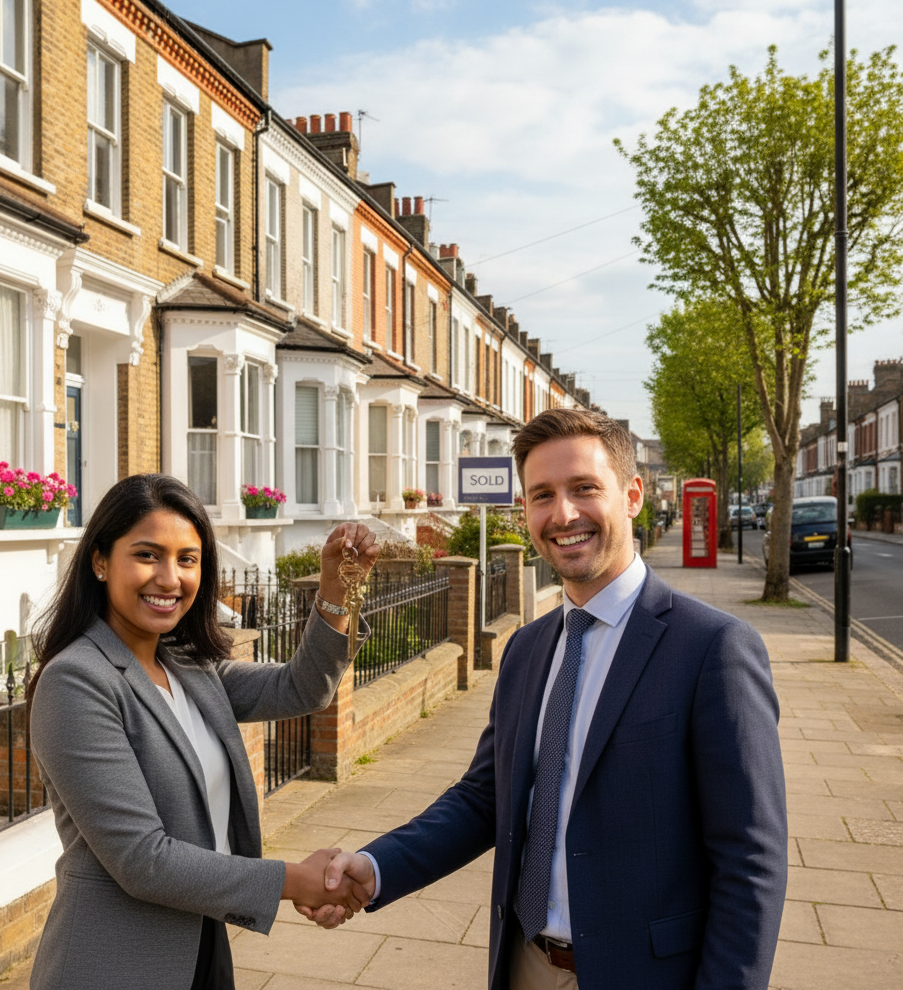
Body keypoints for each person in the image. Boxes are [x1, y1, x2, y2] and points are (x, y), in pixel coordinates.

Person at [315, 409, 788, 990]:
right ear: (525, 512)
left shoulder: (712, 648)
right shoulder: (527, 647)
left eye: (584, 488)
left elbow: (750, 862)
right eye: (542, 495)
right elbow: (485, 798)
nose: (563, 514)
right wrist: (376, 866)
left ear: (633, 495)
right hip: (524, 964)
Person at [27, 474, 375, 990]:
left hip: (201, 944)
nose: (170, 578)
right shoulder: (77, 681)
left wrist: (335, 591)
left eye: (187, 559)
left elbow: (302, 689)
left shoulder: (189, 667)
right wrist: (295, 880)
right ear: (100, 562)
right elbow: (142, 859)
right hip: (115, 963)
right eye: (148, 555)